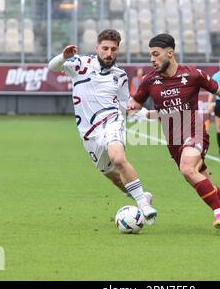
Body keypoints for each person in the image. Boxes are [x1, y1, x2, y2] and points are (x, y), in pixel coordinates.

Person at [128, 34, 220, 230]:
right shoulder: (149, 81)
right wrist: (130, 108)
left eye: (156, 54)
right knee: (205, 185)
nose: (152, 60)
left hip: (195, 130)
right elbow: (137, 106)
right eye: (150, 56)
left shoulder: (192, 74)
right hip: (173, 141)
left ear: (170, 53)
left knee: (187, 169)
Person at [48, 29, 157, 224]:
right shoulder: (80, 64)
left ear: (118, 50)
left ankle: (144, 205)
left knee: (118, 158)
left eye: (113, 49)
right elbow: (52, 67)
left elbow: (125, 106)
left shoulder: (120, 76)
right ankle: (143, 196)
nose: (109, 53)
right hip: (89, 134)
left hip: (111, 122)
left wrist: (148, 115)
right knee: (115, 178)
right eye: (105, 48)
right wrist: (63, 56)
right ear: (97, 48)